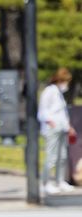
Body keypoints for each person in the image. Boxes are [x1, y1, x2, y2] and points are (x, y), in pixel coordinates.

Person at [38, 67, 76, 195]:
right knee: (51, 156)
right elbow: (42, 110)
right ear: (60, 80)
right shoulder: (49, 91)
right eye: (66, 81)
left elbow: (62, 113)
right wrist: (50, 122)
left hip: (62, 127)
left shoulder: (59, 94)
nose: (67, 84)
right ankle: (45, 183)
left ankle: (60, 181)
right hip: (52, 128)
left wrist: (69, 126)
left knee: (62, 156)